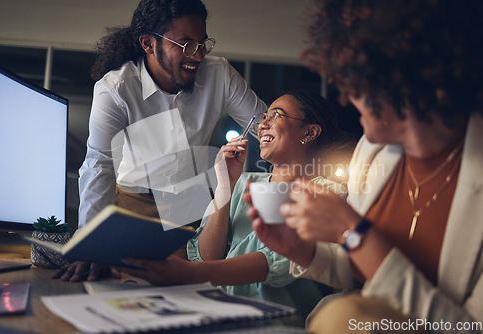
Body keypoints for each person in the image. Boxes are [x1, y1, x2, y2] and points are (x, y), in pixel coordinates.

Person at [245, 1, 483, 333]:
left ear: (420, 80)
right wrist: (302, 250)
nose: (345, 95)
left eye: (361, 79)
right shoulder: (374, 152)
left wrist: (353, 231)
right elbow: (349, 270)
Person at [54, 0, 266, 282]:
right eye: (186, 44)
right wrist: (90, 242)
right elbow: (99, 164)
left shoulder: (220, 75)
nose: (199, 55)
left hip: (191, 206)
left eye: (202, 43)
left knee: (185, 290)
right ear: (148, 44)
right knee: (115, 288)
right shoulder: (116, 89)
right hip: (132, 207)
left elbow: (266, 126)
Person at [118, 90, 355, 323]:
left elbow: (279, 265)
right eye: (263, 118)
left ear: (310, 132)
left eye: (276, 115)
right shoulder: (244, 183)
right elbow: (207, 256)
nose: (263, 125)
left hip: (277, 324)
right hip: (218, 316)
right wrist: (226, 185)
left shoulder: (329, 195)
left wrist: (188, 275)